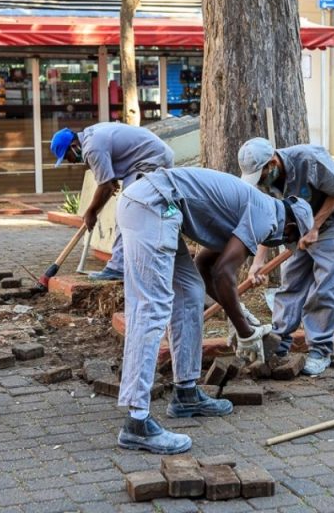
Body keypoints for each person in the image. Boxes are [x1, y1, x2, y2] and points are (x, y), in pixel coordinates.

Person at [115, 167, 312, 454]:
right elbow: (223, 274)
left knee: (190, 290)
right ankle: (136, 422)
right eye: (288, 240)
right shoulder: (267, 216)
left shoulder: (255, 210)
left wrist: (240, 314)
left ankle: (185, 394)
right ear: (291, 228)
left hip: (156, 204)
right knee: (152, 308)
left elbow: (205, 269)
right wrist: (245, 332)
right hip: (153, 205)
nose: (280, 244)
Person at [238, 138, 334, 376]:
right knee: (291, 282)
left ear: (272, 163)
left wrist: (315, 228)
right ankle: (279, 340)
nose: (260, 181)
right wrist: (258, 263)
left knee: (326, 287)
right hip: (300, 225)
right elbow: (268, 220)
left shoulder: (310, 160)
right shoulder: (265, 179)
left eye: (261, 175)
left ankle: (320, 349)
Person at [50, 123, 174, 280]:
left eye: (68, 157)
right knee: (136, 215)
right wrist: (111, 181)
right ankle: (135, 265)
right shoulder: (91, 135)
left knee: (127, 213)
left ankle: (118, 268)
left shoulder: (92, 148)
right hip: (149, 158)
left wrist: (91, 212)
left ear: (73, 146)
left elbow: (105, 187)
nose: (71, 161)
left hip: (150, 160)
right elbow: (108, 179)